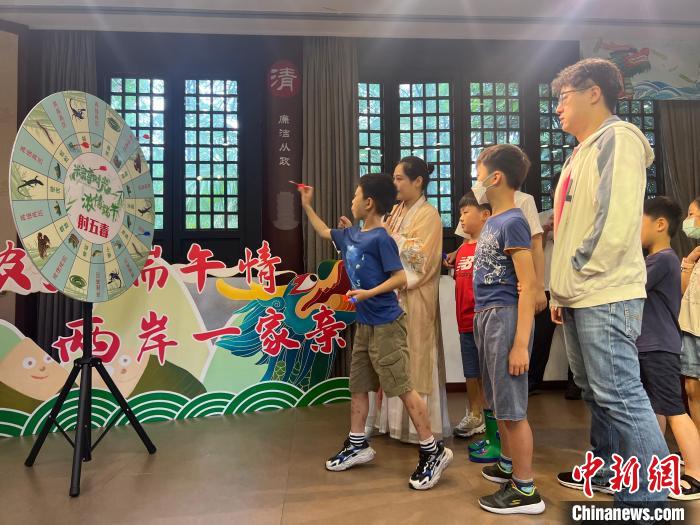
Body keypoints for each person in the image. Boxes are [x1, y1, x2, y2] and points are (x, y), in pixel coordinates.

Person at [549, 58, 670, 505]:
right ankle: (608, 471)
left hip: (604, 290)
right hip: (581, 292)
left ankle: (648, 501)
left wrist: (577, 270)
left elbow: (615, 221)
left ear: (594, 93)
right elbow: (570, 227)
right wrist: (561, 289)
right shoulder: (582, 151)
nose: (558, 108)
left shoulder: (618, 138)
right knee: (597, 393)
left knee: (620, 394)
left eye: (564, 97)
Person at [299, 173, 452, 490]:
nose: (352, 200)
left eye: (356, 196)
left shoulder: (382, 239)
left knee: (403, 386)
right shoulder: (353, 234)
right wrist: (307, 205)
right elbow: (324, 231)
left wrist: (369, 293)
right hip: (366, 325)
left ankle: (432, 450)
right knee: (359, 384)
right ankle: (357, 444)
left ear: (368, 203)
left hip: (386, 324)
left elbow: (400, 277)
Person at [351, 156, 450, 443]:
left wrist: (389, 238)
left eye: (399, 178)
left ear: (417, 181)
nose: (394, 184)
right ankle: (389, 424)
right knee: (387, 359)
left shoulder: (429, 215)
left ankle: (420, 432)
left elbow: (422, 259)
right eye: (393, 178)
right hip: (389, 297)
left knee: (412, 359)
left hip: (414, 297)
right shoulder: (395, 211)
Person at [471, 144, 544, 515]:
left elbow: (528, 286)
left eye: (479, 173)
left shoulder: (514, 221)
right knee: (499, 401)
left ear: (495, 177)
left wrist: (520, 344)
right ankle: (508, 464)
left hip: (505, 317)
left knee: (513, 409)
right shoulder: (494, 221)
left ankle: (526, 489)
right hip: (487, 315)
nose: (476, 180)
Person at [638, 196, 700, 500]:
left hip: (659, 345)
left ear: (660, 225)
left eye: (640, 222)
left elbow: (631, 285)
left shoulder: (662, 260)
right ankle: (657, 465)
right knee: (656, 409)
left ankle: (696, 474)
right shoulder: (660, 259)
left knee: (674, 410)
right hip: (651, 344)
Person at [452, 193, 491, 439]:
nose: (461, 218)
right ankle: (475, 414)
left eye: (466, 212)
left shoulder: (489, 246)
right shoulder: (462, 249)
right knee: (471, 370)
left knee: (489, 370)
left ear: (485, 215)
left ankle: (490, 415)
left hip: (485, 319)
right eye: (460, 214)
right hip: (464, 320)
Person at [680, 196, 700, 447]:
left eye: (691, 214)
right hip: (691, 329)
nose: (687, 221)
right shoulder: (695, 254)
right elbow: (685, 291)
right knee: (692, 390)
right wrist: (689, 262)